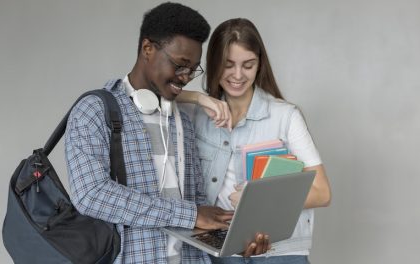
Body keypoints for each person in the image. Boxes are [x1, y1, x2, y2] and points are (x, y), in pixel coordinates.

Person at [65, 3, 268, 263]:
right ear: (148, 49)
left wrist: (235, 239)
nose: (186, 77)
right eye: (180, 65)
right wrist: (190, 214)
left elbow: (198, 204)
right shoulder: (93, 111)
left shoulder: (181, 119)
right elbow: (91, 195)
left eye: (193, 69)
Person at [177, 18, 332, 264]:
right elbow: (149, 93)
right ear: (214, 63)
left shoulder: (286, 116)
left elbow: (322, 193)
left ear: (259, 65)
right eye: (228, 65)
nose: (238, 75)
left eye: (248, 65)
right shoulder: (195, 114)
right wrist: (198, 97)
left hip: (279, 252)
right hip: (217, 250)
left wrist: (254, 200)